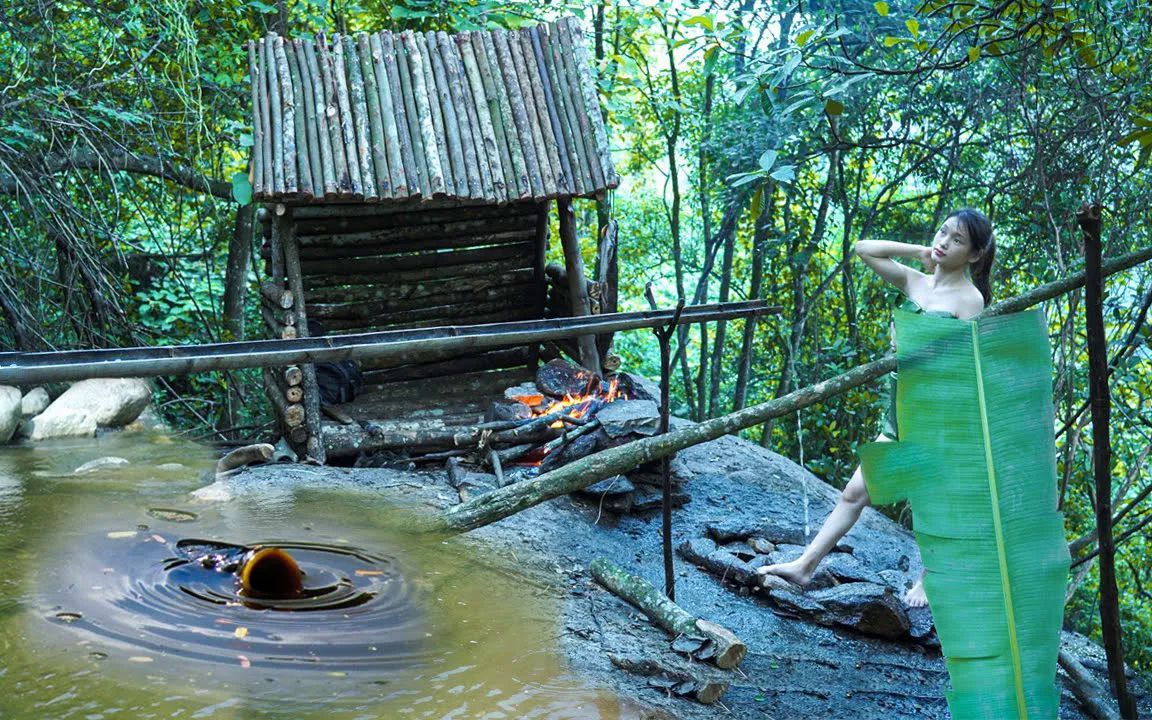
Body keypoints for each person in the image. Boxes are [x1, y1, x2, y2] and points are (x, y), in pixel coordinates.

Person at [757, 208, 996, 607]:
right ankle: (805, 566)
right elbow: (864, 249)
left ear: (974, 255)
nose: (944, 242)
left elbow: (964, 364)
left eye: (956, 240)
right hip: (898, 410)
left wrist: (915, 345)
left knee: (932, 502)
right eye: (942, 232)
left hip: (937, 414)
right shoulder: (915, 282)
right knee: (853, 494)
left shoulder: (970, 299)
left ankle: (926, 581)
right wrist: (920, 250)